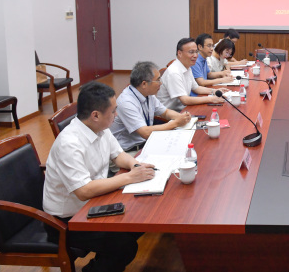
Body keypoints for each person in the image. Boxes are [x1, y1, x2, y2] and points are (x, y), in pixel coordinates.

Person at [43, 81, 156, 272]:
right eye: (113, 111)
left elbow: (118, 155)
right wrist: (130, 178)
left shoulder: (99, 128)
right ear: (95, 115)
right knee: (123, 246)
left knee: (141, 219)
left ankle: (103, 263)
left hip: (94, 204)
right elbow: (83, 191)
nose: (116, 115)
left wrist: (135, 165)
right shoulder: (69, 143)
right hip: (67, 221)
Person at [109, 61, 192, 155]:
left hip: (146, 142)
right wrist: (176, 123)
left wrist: (181, 117)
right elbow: (145, 133)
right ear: (144, 84)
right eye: (158, 80)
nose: (161, 83)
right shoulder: (126, 102)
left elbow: (165, 112)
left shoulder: (148, 94)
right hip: (129, 151)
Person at [157, 37, 226, 111]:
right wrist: (211, 99)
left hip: (183, 109)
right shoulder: (174, 72)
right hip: (171, 114)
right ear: (179, 53)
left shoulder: (187, 67)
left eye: (196, 52)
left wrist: (215, 91)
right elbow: (185, 100)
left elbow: (196, 88)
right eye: (191, 52)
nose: (195, 55)